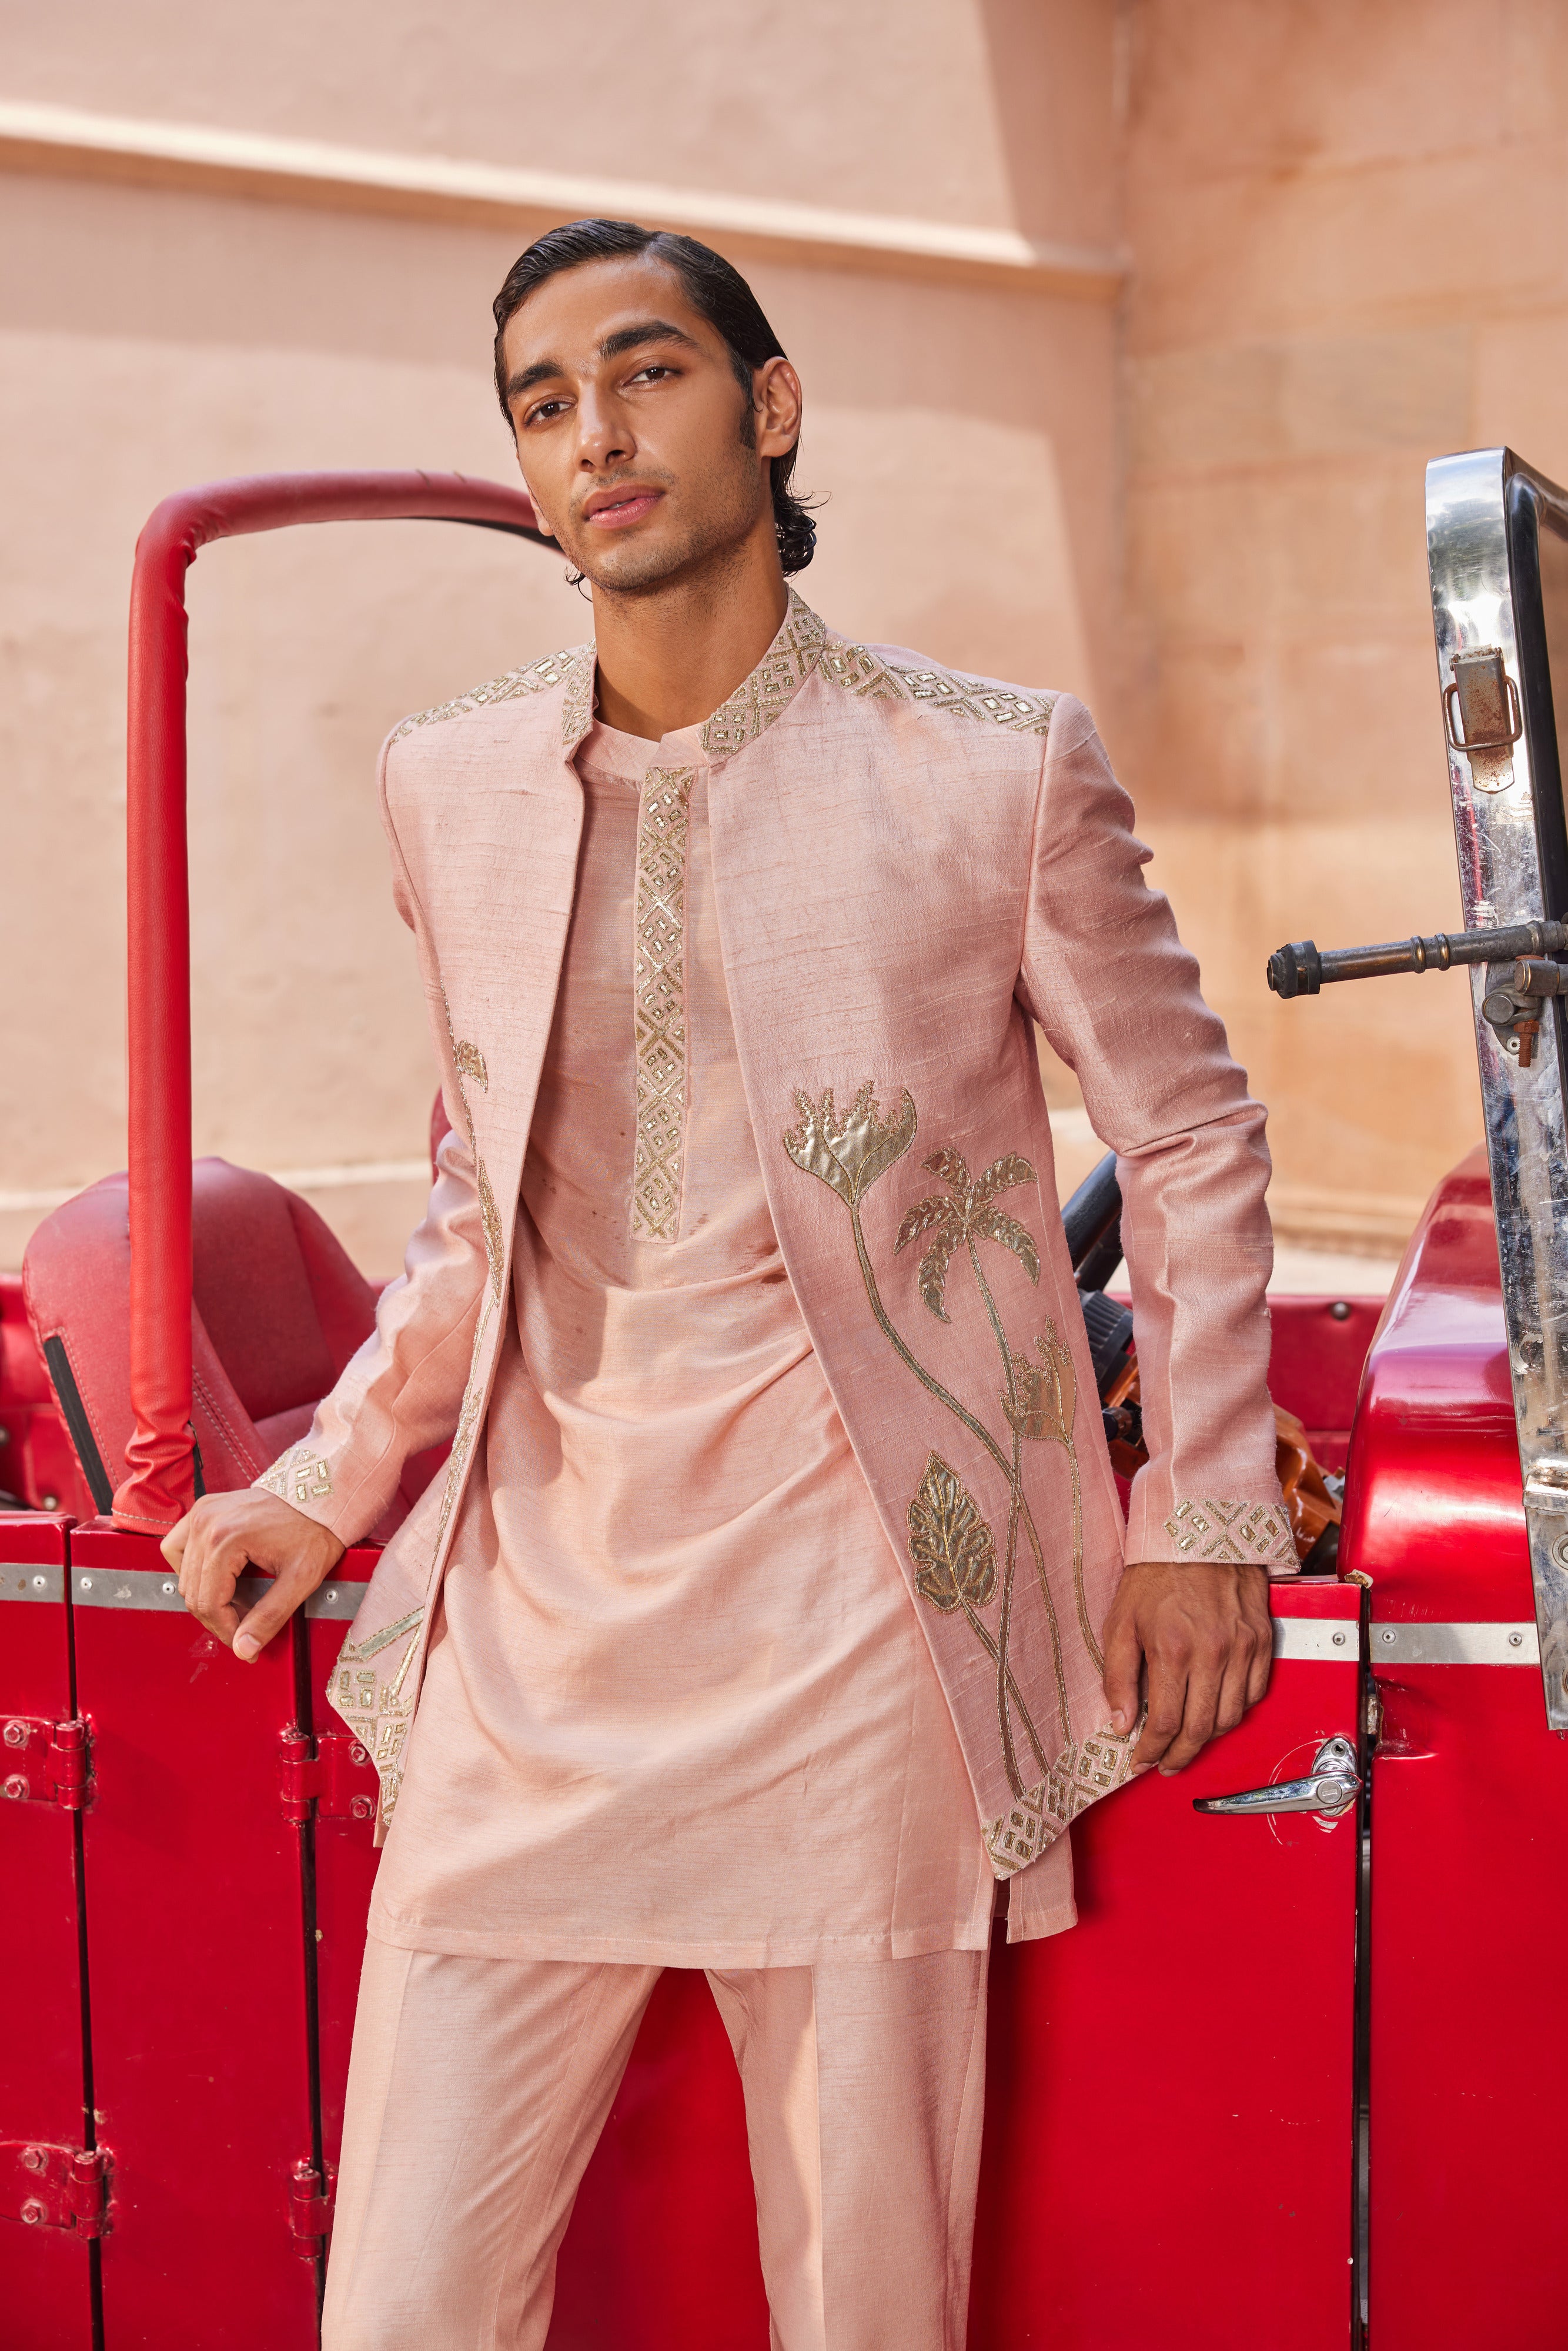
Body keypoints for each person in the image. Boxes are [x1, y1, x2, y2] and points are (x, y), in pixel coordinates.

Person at [164, 218, 1289, 2351]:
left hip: (862, 1630)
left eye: (647, 372)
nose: (594, 434)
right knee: (401, 2304)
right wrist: (325, 1482)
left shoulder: (990, 767)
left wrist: (1204, 1515)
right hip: (533, 1629)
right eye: (541, 398)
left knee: (863, 2300)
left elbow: (1191, 1130)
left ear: (768, 413)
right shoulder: (450, 780)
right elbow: (478, 1198)